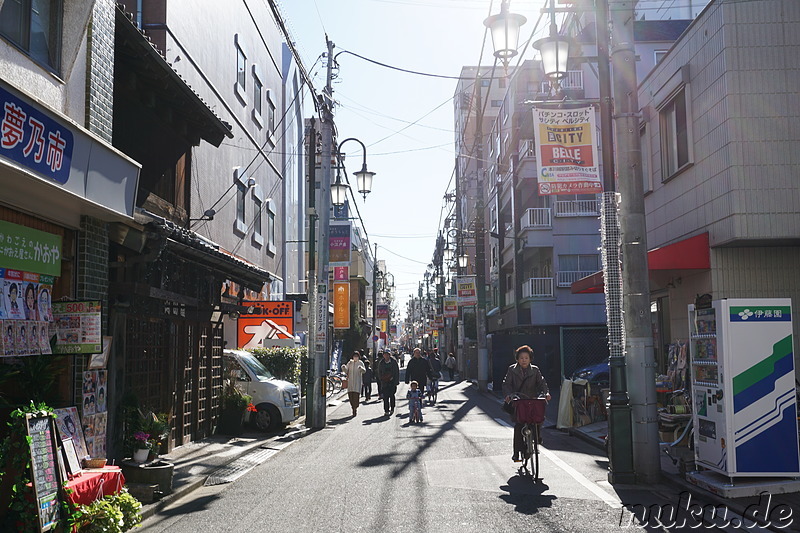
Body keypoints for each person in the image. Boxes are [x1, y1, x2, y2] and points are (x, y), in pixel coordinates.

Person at [502, 345, 551, 462]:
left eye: (526, 358)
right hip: (518, 401)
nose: (524, 360)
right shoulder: (511, 370)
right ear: (517, 359)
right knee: (519, 425)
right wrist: (509, 395)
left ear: (530, 359)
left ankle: (537, 439)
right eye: (521, 358)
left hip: (532, 400)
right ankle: (516, 453)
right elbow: (506, 384)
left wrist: (546, 393)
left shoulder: (535, 370)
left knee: (537, 420)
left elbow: (542, 383)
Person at [342, 351, 366, 416]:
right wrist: (344, 368)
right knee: (350, 396)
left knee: (356, 396)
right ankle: (353, 407)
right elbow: (346, 371)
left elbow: (364, 371)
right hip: (350, 382)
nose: (355, 357)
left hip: (357, 382)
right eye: (354, 356)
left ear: (358, 357)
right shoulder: (350, 363)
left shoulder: (360, 363)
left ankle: (355, 409)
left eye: (356, 356)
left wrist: (361, 369)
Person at [376, 350, 399, 416]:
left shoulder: (393, 362)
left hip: (392, 382)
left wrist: (395, 381)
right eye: (385, 354)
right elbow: (379, 372)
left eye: (387, 354)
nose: (386, 356)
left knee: (392, 395)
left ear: (390, 355)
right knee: (385, 397)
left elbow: (396, 372)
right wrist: (381, 379)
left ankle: (392, 408)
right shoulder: (381, 362)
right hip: (384, 382)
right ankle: (386, 410)